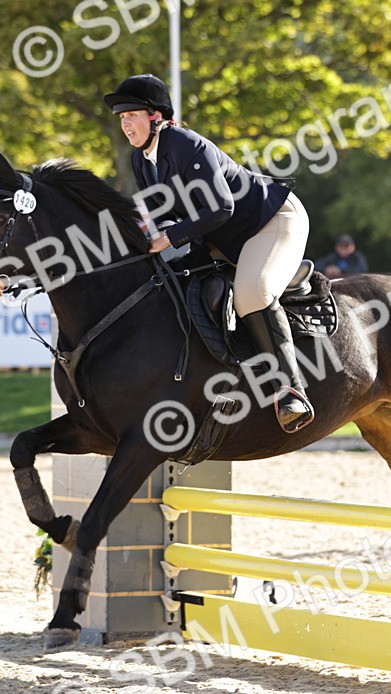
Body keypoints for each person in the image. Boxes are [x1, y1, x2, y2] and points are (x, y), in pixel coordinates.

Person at [103, 74, 314, 433]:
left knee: (252, 293)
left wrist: (168, 237)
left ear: (155, 117)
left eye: (132, 116)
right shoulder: (141, 161)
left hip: (270, 220)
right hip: (223, 238)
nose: (125, 124)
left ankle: (291, 390)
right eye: (121, 118)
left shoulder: (184, 144)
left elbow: (220, 208)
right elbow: (159, 211)